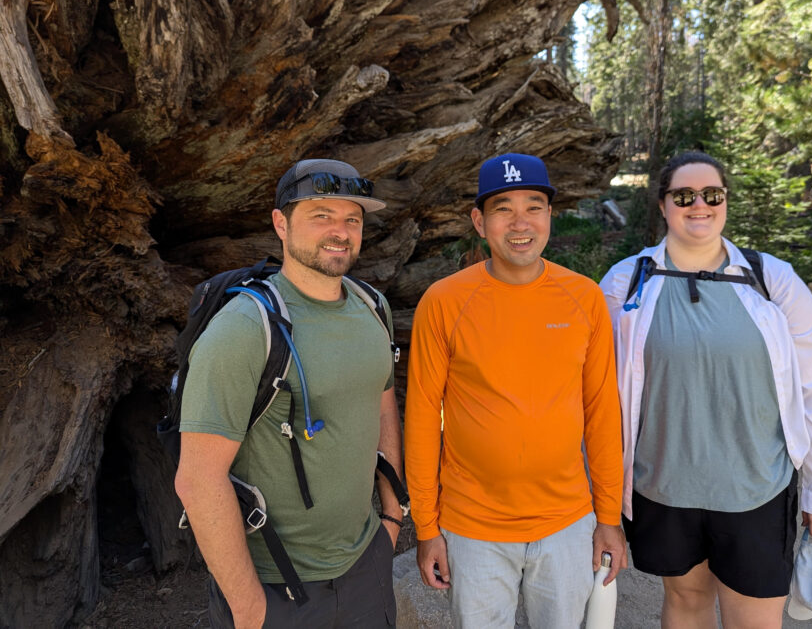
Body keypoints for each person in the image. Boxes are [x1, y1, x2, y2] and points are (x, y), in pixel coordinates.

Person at [599, 151, 812, 629]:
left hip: (756, 488)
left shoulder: (771, 280)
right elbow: (602, 395)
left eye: (712, 195)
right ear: (663, 204)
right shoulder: (625, 283)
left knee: (753, 619)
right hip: (664, 487)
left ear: (726, 201)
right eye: (684, 195)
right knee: (686, 601)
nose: (699, 205)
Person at [175, 159, 404, 629]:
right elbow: (198, 480)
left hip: (367, 565)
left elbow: (381, 407)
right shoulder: (243, 329)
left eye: (352, 219)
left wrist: (393, 517)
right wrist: (248, 608)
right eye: (321, 215)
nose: (339, 231)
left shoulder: (372, 307)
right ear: (281, 223)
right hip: (277, 587)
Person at [404, 152, 627, 628]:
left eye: (534, 206)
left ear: (550, 216)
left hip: (566, 524)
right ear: (479, 222)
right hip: (472, 527)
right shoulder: (443, 302)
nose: (520, 222)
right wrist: (427, 527)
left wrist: (608, 517)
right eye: (503, 208)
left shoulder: (583, 297)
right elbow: (422, 418)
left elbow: (603, 413)